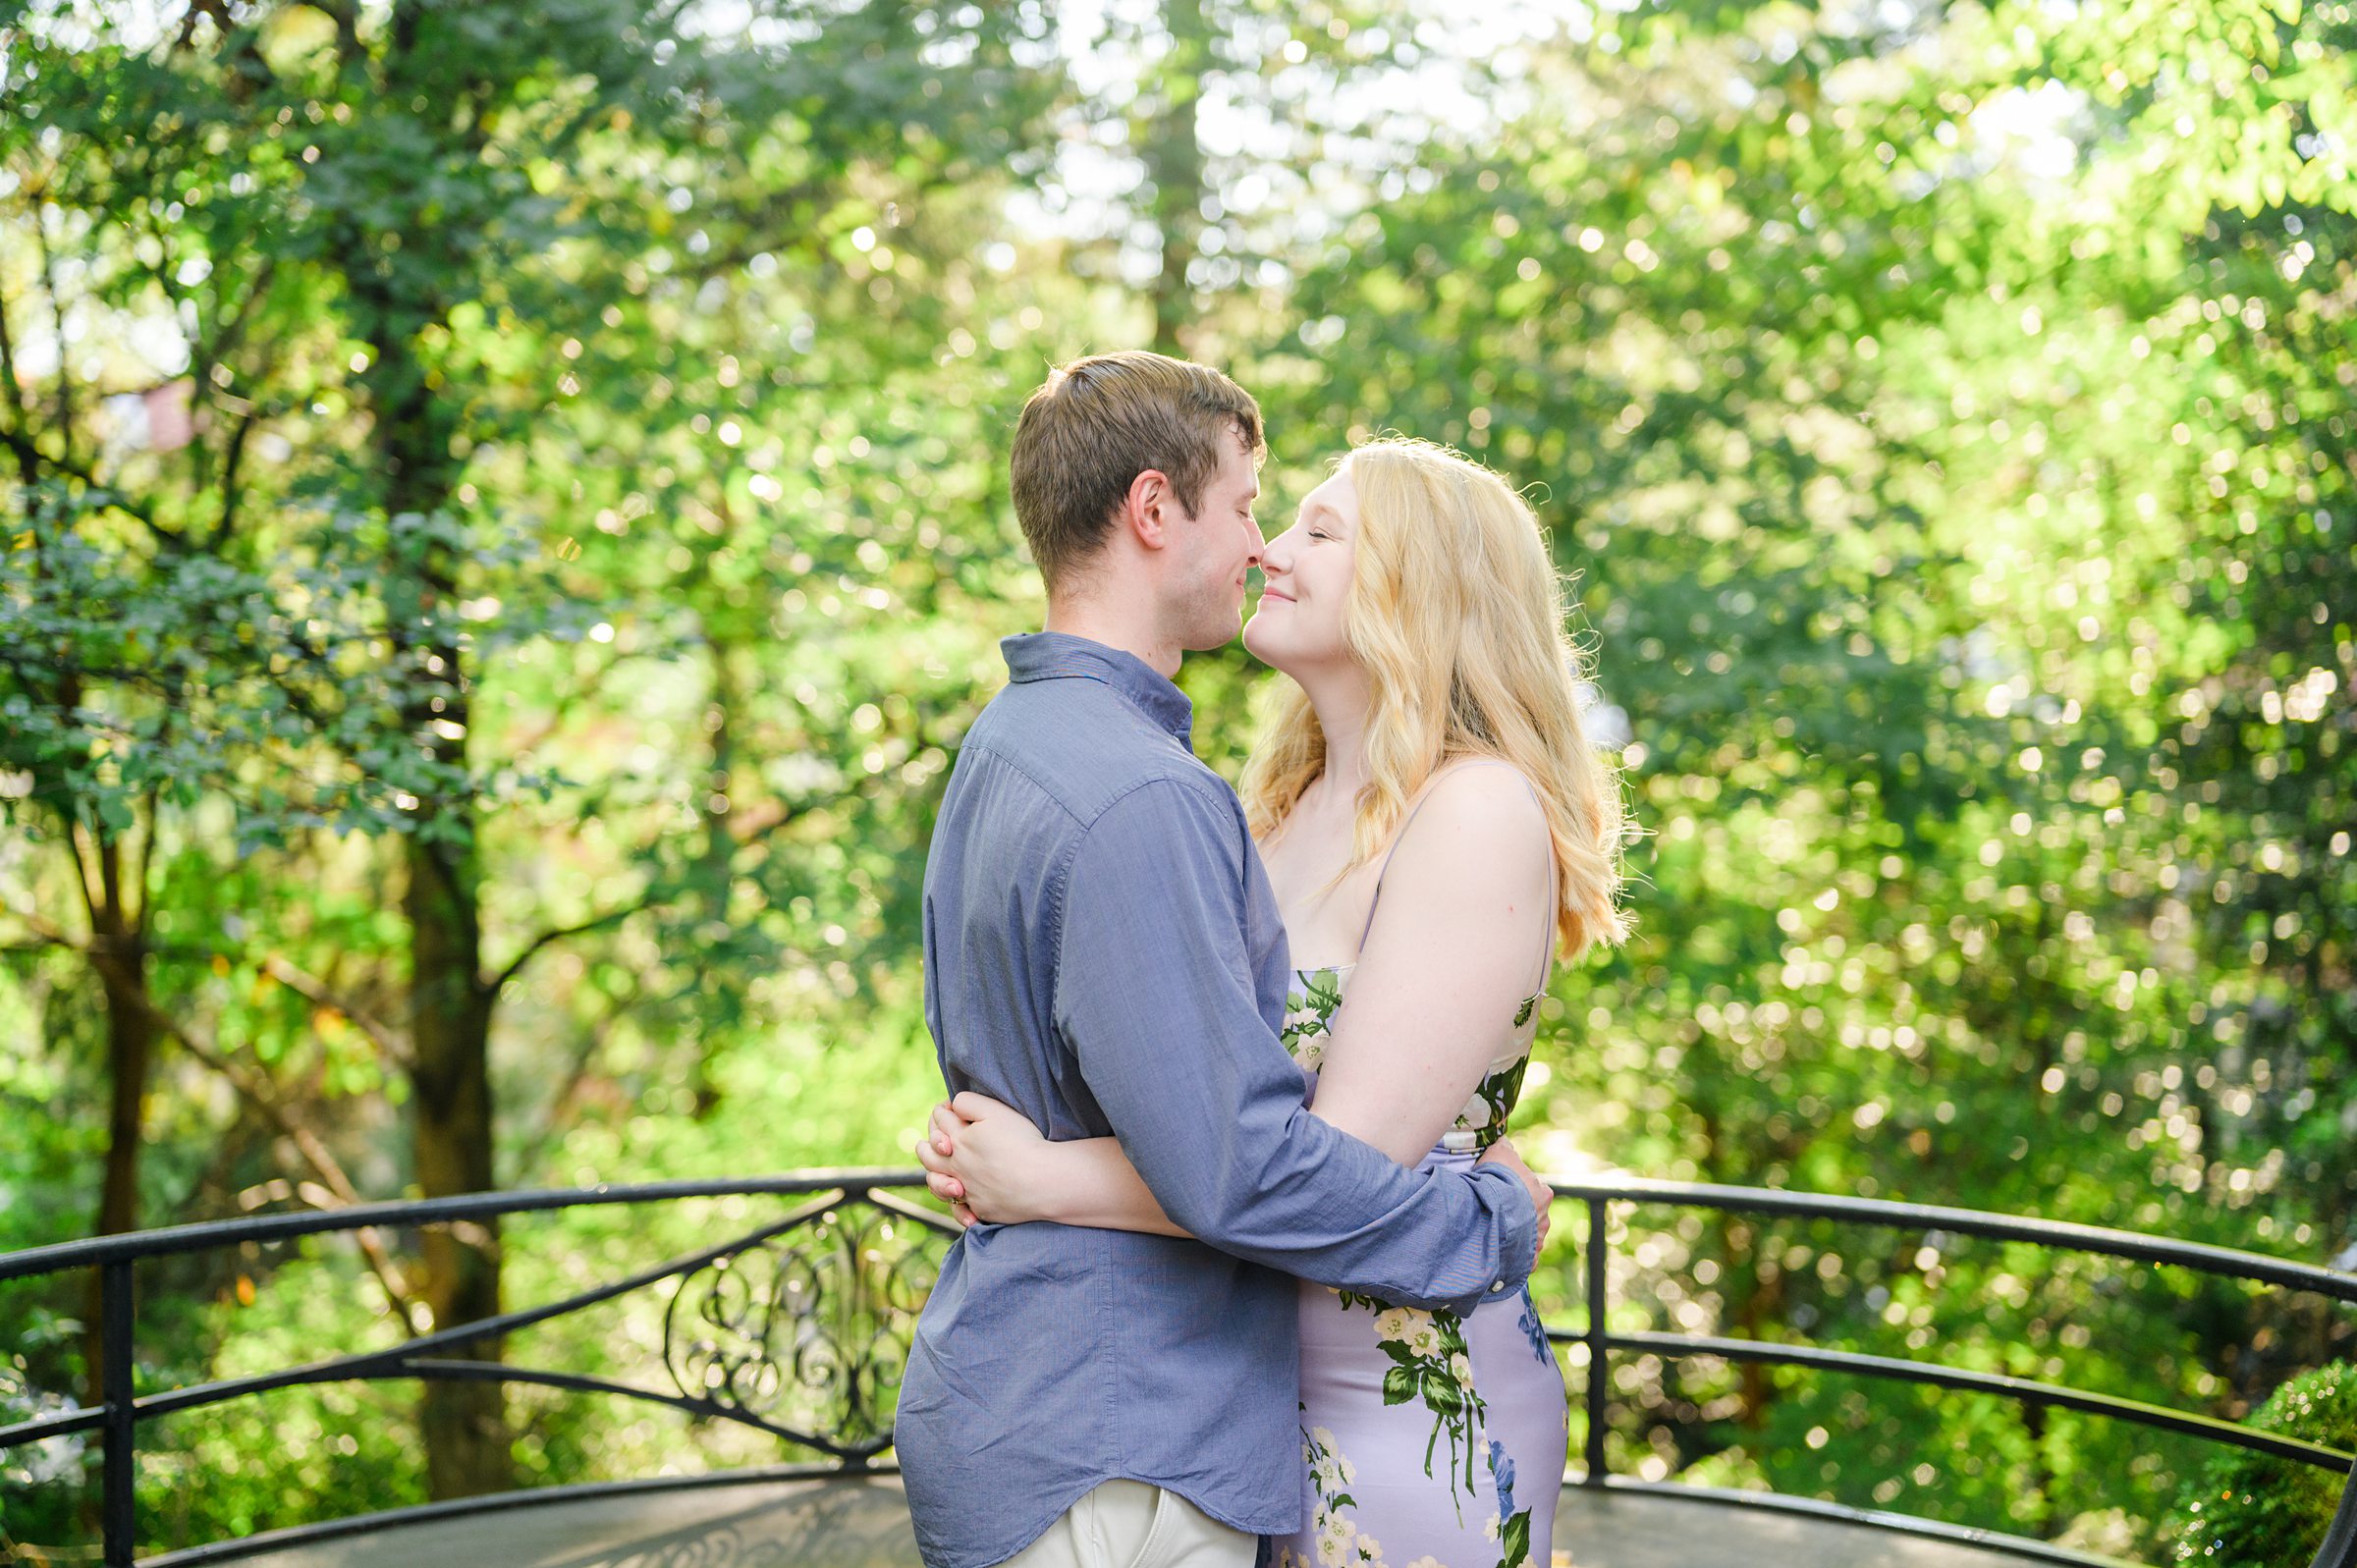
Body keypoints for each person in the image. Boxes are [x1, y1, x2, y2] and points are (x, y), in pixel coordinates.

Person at [895, 352, 1558, 1568]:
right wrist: (1490, 1218)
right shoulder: (1250, 804)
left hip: (1382, 1387)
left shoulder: (1469, 814)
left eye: (1315, 527)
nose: (1269, 549)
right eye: (1263, 511)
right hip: (1213, 1398)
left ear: (1420, 587)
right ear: (1154, 510)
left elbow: (1282, 1164)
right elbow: (1234, 1152)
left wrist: (1046, 1177)